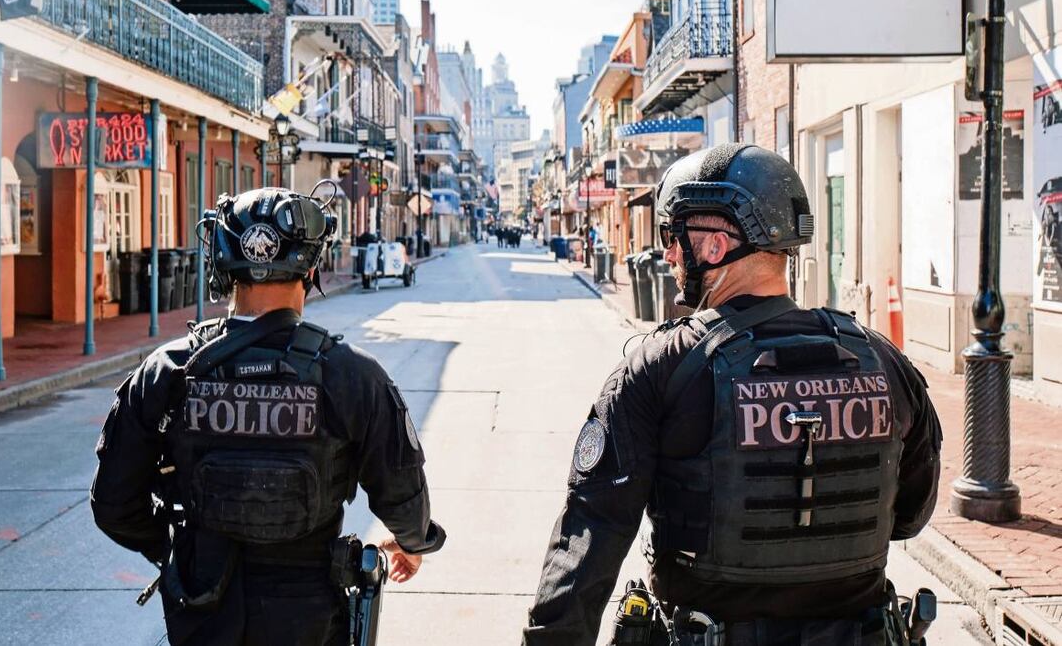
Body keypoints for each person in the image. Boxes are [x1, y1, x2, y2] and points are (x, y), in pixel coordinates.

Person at [522, 144, 941, 646]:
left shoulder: (662, 368)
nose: (669, 254)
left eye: (675, 237)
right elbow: (910, 516)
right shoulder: (882, 361)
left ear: (716, 247)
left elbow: (591, 538)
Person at [91, 186, 446, 646]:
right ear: (311, 269)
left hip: (201, 607)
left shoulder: (167, 371)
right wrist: (412, 543)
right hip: (308, 614)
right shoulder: (353, 375)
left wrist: (184, 551)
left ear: (221, 267)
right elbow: (401, 488)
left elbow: (114, 504)